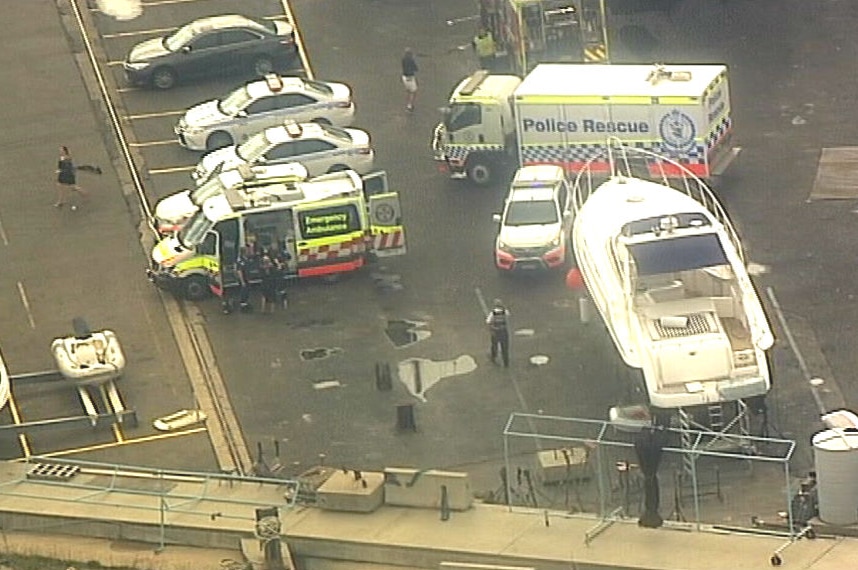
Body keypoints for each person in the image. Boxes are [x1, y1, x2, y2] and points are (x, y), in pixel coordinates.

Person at [486, 298, 510, 367]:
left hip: (496, 331)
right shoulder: (505, 311)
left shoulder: (493, 313)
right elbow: (507, 316)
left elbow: (488, 322)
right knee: (505, 347)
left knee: (494, 345)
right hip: (503, 331)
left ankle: (493, 357)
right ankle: (506, 362)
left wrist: (491, 329)